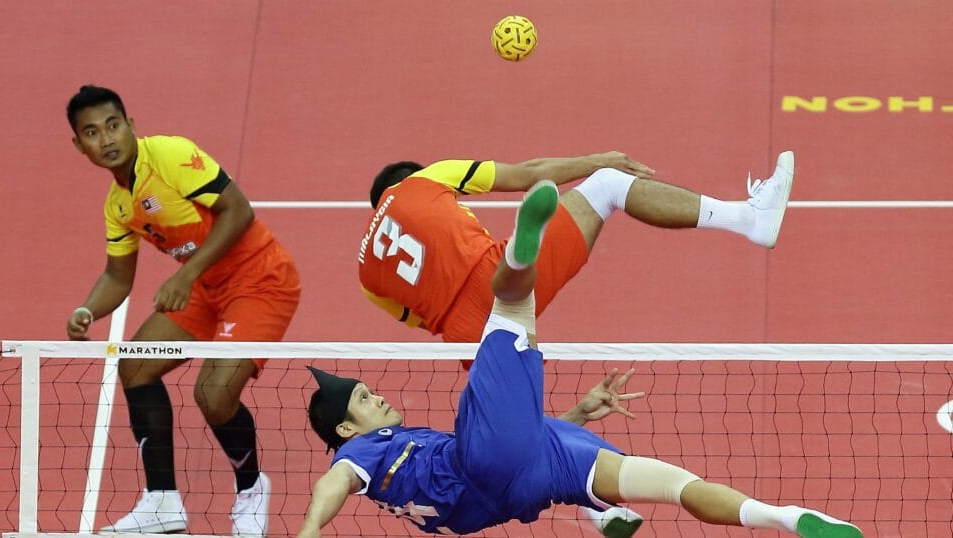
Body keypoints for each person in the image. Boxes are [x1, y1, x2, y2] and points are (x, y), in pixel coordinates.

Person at [304, 181, 862, 538]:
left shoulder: (392, 460)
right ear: (346, 428)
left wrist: (575, 412)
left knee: (677, 486)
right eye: (363, 399)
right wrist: (307, 531)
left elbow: (512, 447)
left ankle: (783, 517)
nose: (377, 395)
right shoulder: (361, 452)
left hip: (521, 484)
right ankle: (521, 247)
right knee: (510, 302)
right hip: (479, 461)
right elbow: (333, 485)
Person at [64, 85, 301, 536]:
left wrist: (185, 275)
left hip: (260, 279)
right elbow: (117, 277)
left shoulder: (170, 155)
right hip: (205, 286)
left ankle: (252, 489)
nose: (106, 139)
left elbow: (239, 211)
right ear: (80, 145)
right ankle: (161, 502)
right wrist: (87, 310)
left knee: (213, 393)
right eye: (92, 133)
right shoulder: (118, 205)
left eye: (113, 125)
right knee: (135, 365)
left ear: (131, 125)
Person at [359, 150, 795, 346]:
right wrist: (596, 160)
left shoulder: (367, 279)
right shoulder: (425, 180)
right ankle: (748, 218)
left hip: (466, 336)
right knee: (607, 186)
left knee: (527, 436)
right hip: (491, 277)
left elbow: (420, 319)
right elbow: (529, 173)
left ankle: (593, 509)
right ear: (407, 178)